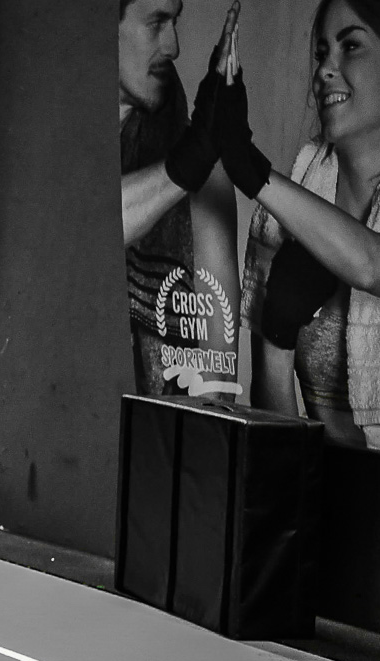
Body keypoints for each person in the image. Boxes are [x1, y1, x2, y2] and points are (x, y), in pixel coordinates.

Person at [231, 0, 380, 453]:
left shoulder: (276, 193)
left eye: (351, 46)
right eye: (320, 51)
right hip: (321, 501)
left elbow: (375, 264)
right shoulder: (283, 212)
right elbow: (273, 429)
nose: (326, 69)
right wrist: (276, 335)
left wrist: (250, 168)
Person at [119, 0, 242, 398]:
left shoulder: (207, 177)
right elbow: (69, 226)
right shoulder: (41, 147)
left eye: (175, 22)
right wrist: (184, 165)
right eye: (156, 22)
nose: (173, 47)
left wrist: (198, 158)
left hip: (154, 449)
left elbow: (216, 384)